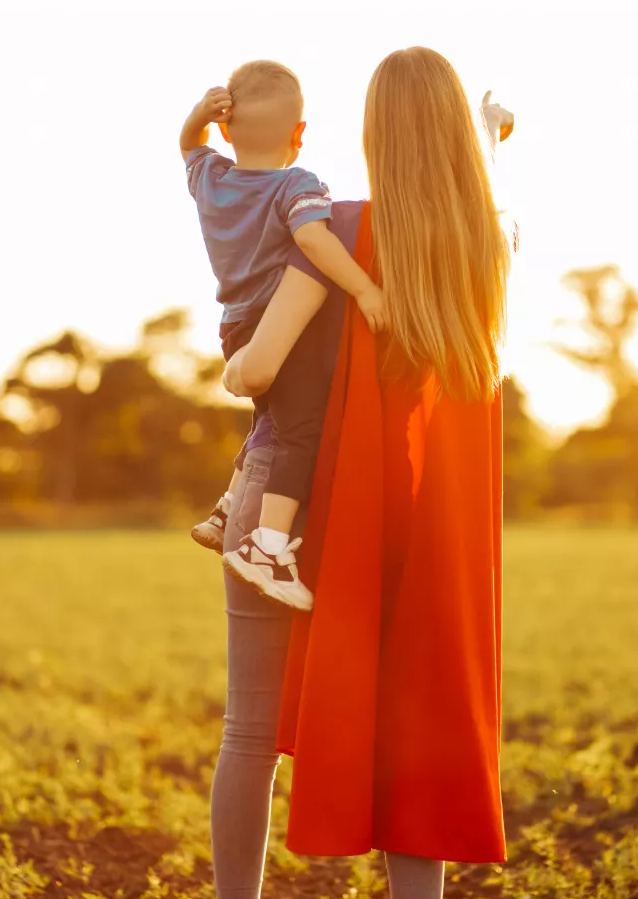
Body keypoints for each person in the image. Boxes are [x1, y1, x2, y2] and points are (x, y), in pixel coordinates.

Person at [210, 47, 513, 899]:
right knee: (414, 740)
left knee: (251, 732)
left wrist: (235, 371)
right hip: (411, 526)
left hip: (295, 512)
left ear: (372, 135)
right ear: (456, 134)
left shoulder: (333, 228)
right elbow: (470, 204)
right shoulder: (490, 245)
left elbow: (261, 367)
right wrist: (488, 142)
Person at [181, 60, 387, 612]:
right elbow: (316, 244)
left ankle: (229, 507)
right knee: (302, 429)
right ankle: (267, 547)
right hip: (281, 325)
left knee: (270, 418)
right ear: (299, 135)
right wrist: (366, 291)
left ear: (225, 129)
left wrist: (198, 116)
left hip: (236, 326)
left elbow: (187, 144)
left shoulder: (211, 179)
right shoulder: (296, 185)